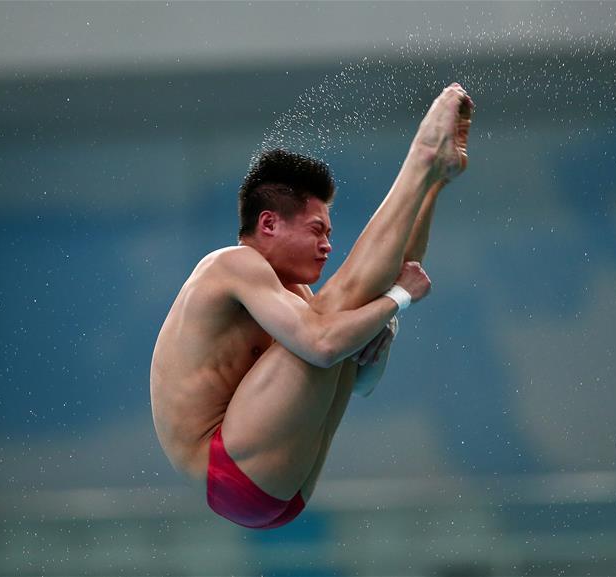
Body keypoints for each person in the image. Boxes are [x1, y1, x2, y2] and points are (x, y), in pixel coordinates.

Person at [150, 83, 473, 529]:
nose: (327, 246)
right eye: (317, 230)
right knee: (337, 318)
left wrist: (384, 326)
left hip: (282, 488)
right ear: (268, 224)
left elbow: (361, 382)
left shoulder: (295, 298)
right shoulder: (230, 266)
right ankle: (421, 158)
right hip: (227, 471)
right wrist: (397, 300)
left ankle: (432, 181)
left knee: (346, 315)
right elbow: (322, 346)